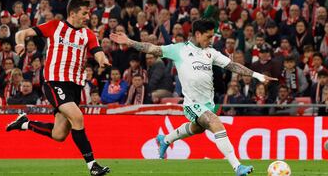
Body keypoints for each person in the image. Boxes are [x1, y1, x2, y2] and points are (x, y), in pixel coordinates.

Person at [110, 19, 277, 176]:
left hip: (208, 104)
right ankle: (237, 166)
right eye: (208, 36)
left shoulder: (211, 52)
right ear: (198, 34)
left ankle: (165, 139)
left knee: (198, 128)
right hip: (191, 104)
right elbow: (152, 48)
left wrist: (257, 75)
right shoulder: (179, 49)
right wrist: (130, 42)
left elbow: (232, 65)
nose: (211, 40)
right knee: (215, 122)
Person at [5, 0, 110, 176]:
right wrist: (21, 43)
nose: (87, 17)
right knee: (77, 118)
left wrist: (103, 60)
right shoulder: (55, 26)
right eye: (84, 13)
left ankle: (25, 124)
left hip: (75, 86)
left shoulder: (88, 34)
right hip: (55, 81)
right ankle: (92, 166)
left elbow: (97, 52)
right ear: (73, 13)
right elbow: (21, 34)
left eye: (88, 13)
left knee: (59, 134)